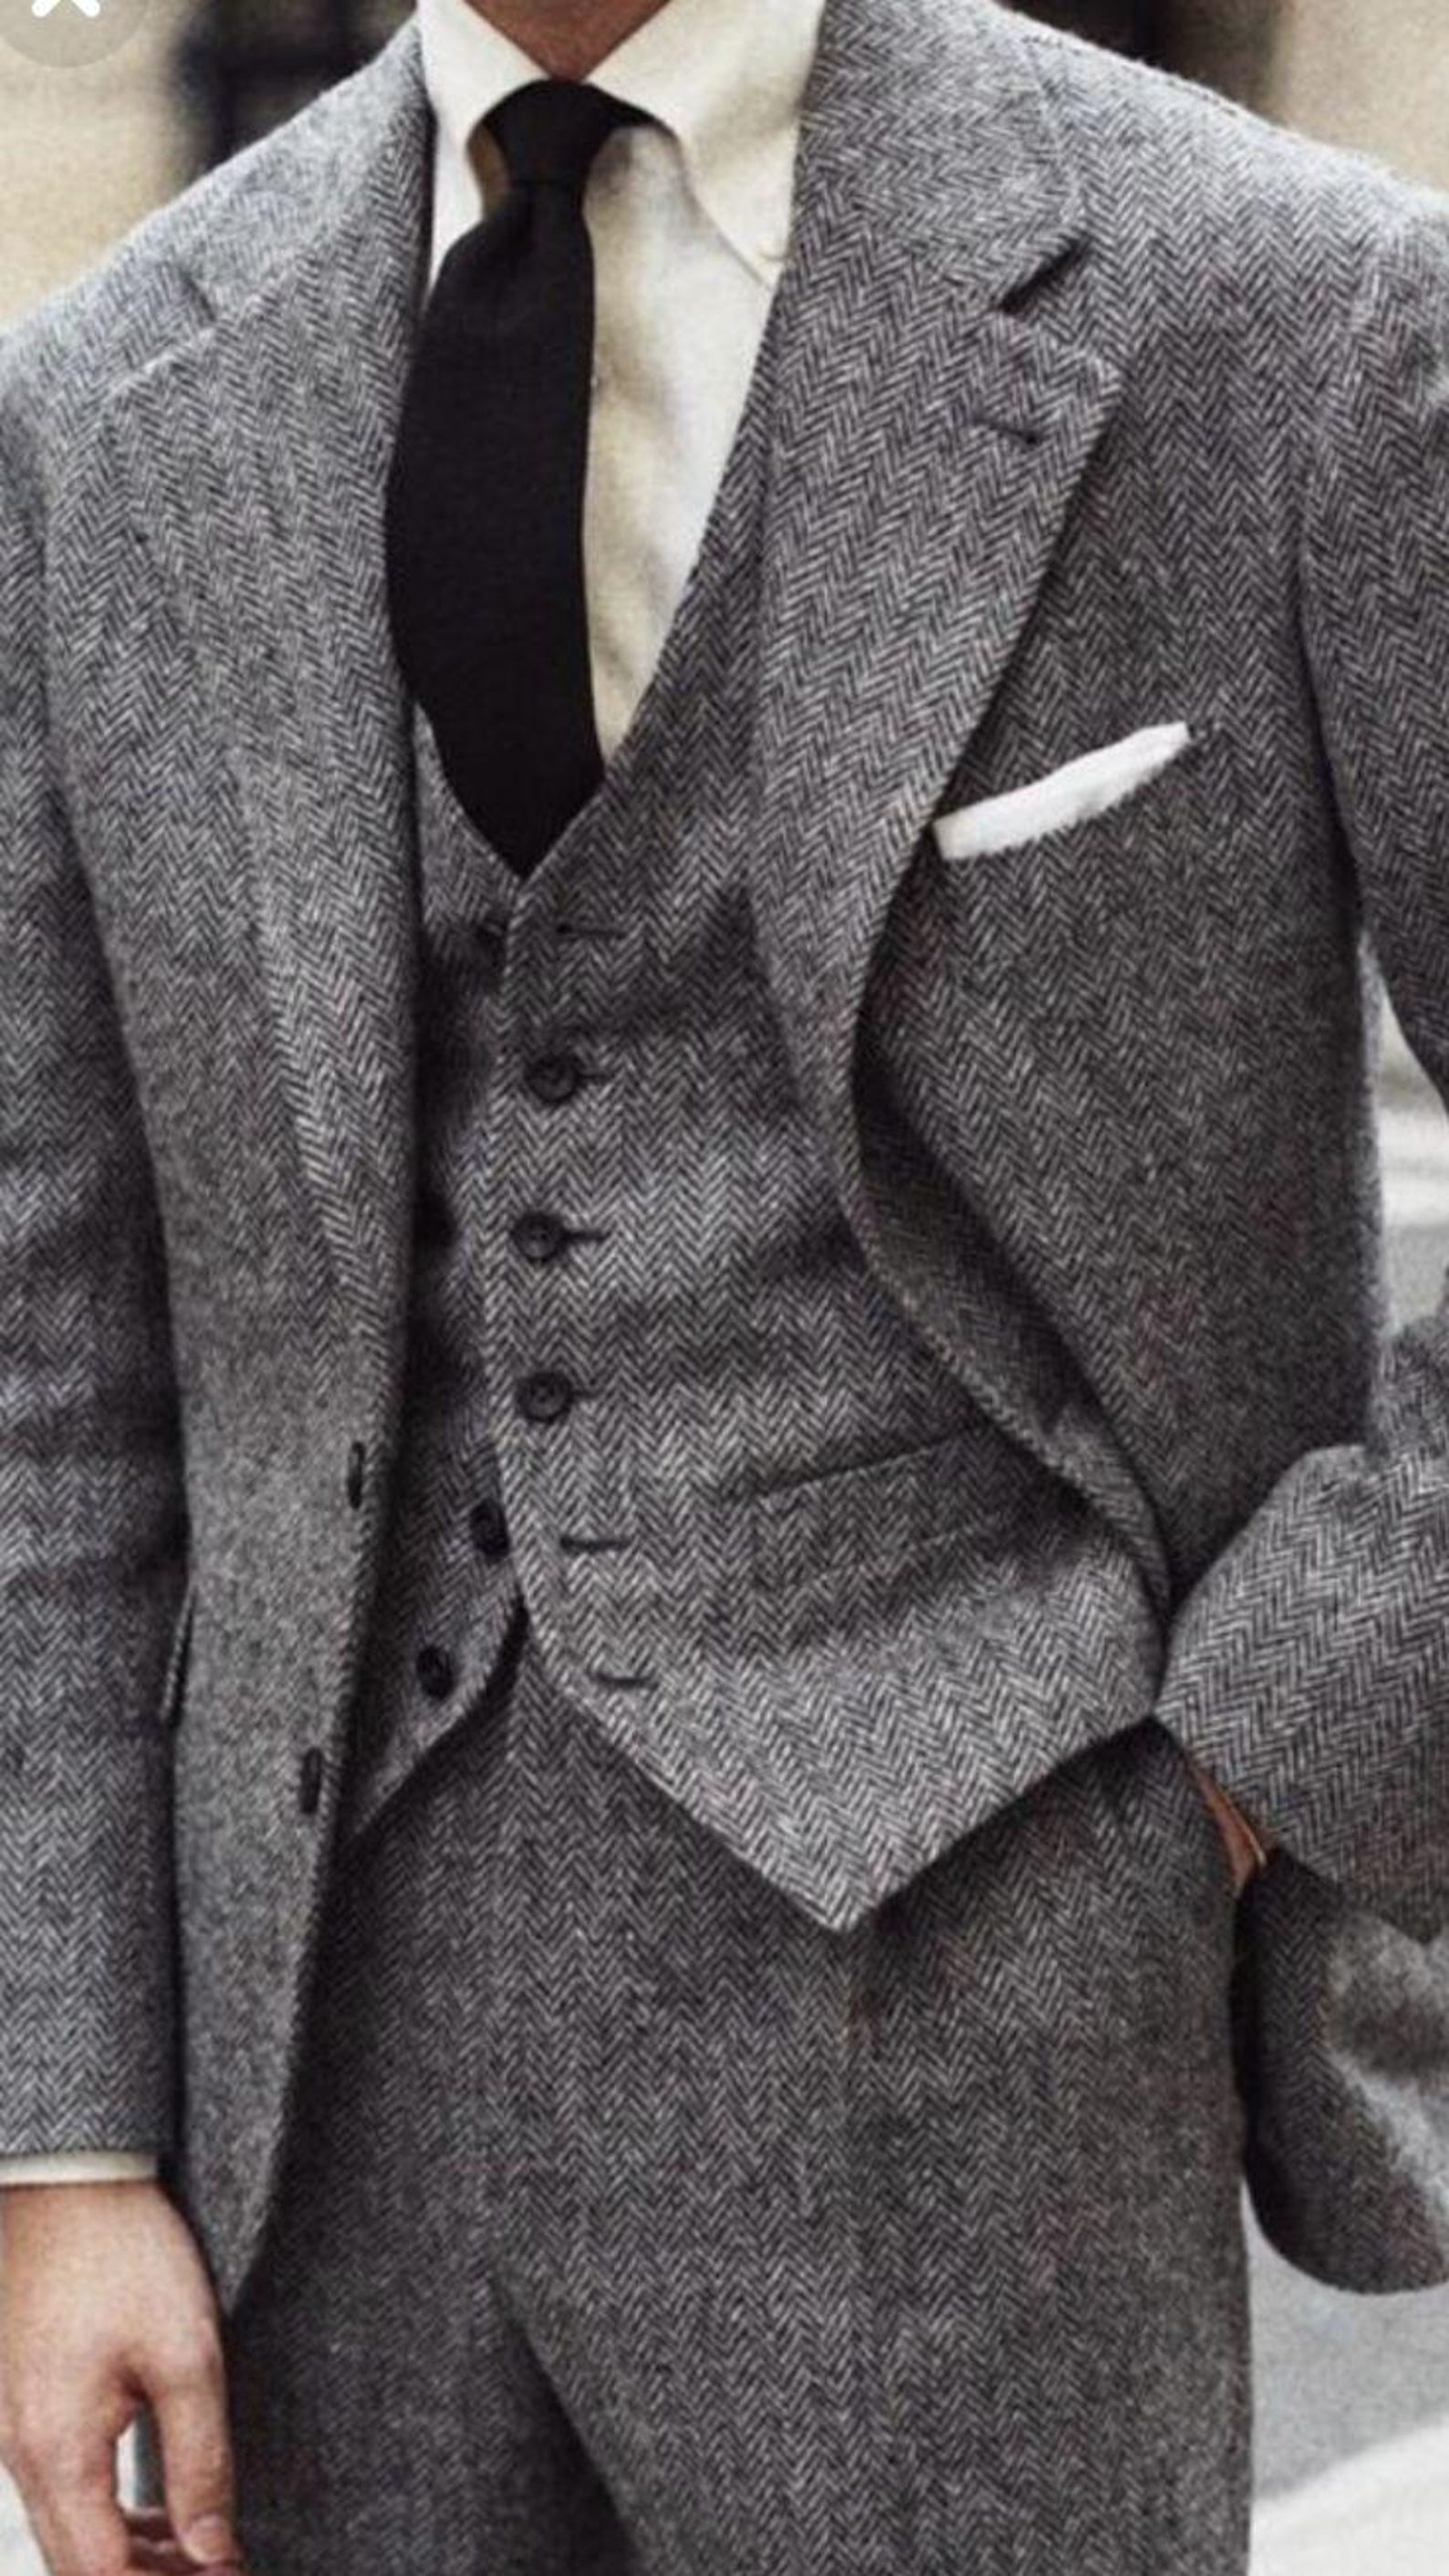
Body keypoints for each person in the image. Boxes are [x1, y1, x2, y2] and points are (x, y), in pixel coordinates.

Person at [1, 0, 1447, 2567]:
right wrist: (62, 2135)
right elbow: (53, 1356)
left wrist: (1251, 1753)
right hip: (306, 2077)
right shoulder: (104, 399)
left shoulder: (1285, 303)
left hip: (982, 1989)